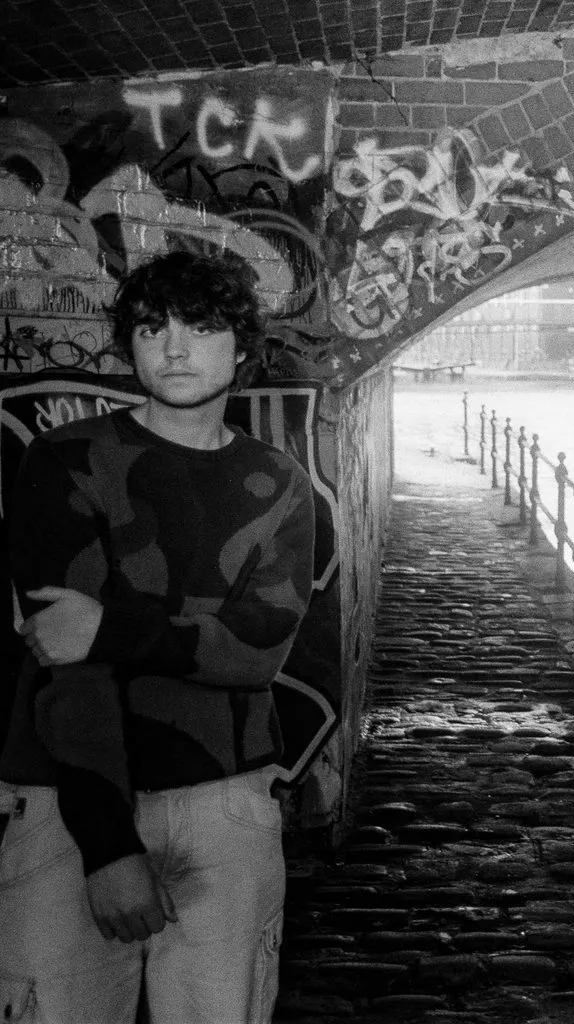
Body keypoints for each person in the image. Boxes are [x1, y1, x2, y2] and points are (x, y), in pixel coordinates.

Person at [0, 251, 316, 1024]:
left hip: (226, 802)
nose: (174, 348)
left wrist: (107, 626)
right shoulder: (67, 461)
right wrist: (107, 845)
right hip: (66, 805)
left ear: (241, 348)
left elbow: (259, 650)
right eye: (152, 327)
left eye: (201, 328)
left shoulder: (277, 481)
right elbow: (64, 668)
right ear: (129, 344)